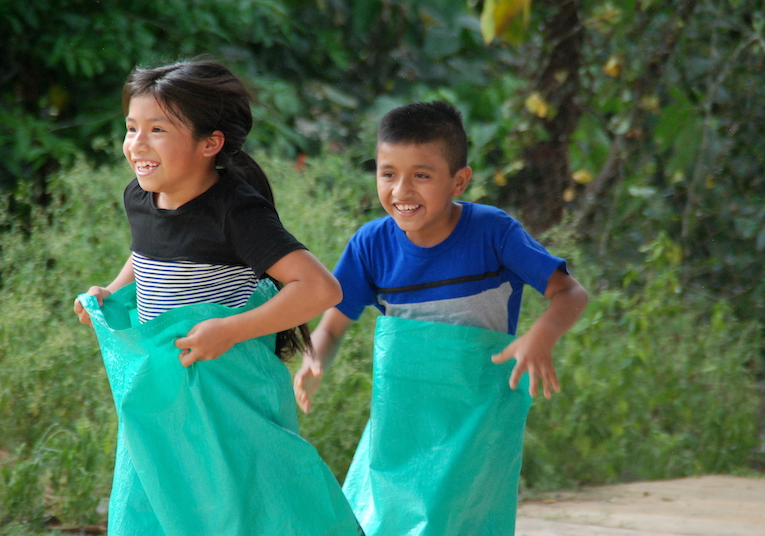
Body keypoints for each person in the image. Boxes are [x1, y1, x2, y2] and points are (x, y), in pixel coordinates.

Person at [73, 59, 363, 536]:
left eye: (157, 129)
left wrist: (231, 330)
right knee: (162, 505)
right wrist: (111, 289)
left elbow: (320, 288)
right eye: (131, 128)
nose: (137, 144)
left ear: (211, 143)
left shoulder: (236, 211)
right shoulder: (141, 196)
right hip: (163, 398)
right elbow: (146, 256)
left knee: (244, 509)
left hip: (230, 400)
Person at [293, 101, 588, 535]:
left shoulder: (494, 232)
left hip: (479, 419)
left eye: (422, 175)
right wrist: (315, 359)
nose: (401, 191)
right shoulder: (371, 244)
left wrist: (541, 335)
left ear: (459, 180)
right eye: (388, 173)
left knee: (456, 522)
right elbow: (333, 325)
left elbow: (570, 293)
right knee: (379, 521)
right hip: (400, 421)